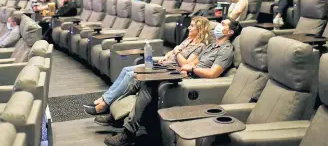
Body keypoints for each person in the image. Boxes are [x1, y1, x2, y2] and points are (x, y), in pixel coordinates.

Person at [102, 19, 242, 146]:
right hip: (184, 73)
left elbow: (213, 73)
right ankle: (119, 116)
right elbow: (194, 62)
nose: (218, 25)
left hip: (193, 82)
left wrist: (191, 68)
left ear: (230, 32)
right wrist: (183, 65)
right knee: (142, 78)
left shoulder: (226, 50)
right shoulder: (212, 46)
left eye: (223, 24)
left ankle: (127, 132)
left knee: (148, 84)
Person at [84, 17, 211, 116]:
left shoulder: (200, 46)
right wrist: (165, 56)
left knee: (130, 74)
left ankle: (105, 104)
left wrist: (176, 52)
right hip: (163, 64)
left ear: (200, 29)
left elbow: (186, 64)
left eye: (192, 26)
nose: (189, 28)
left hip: (169, 71)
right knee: (125, 69)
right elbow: (172, 52)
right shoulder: (188, 40)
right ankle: (105, 97)